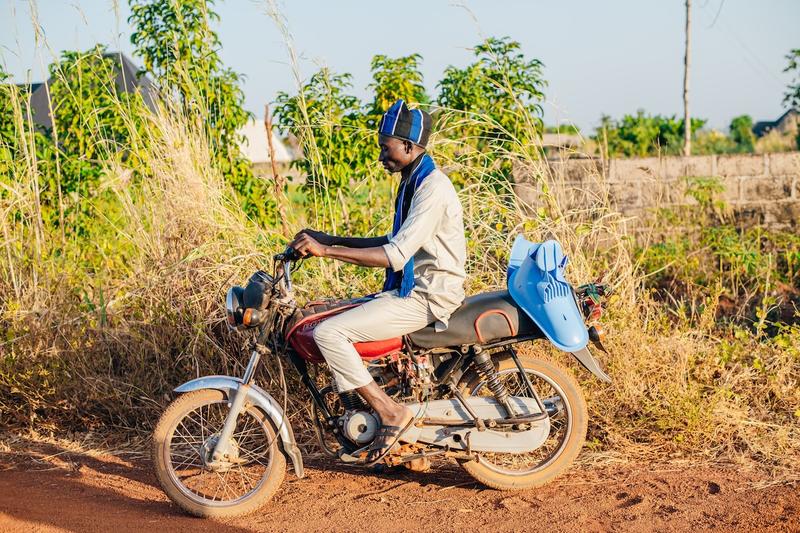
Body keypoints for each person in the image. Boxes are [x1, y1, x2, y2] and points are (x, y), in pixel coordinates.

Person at [289, 99, 466, 463]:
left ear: (408, 146)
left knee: (329, 333)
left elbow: (395, 255)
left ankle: (390, 413)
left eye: (386, 148)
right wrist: (328, 239)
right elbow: (392, 241)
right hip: (414, 289)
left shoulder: (431, 188)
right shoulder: (413, 180)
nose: (381, 156)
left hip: (428, 295)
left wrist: (326, 251)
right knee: (331, 319)